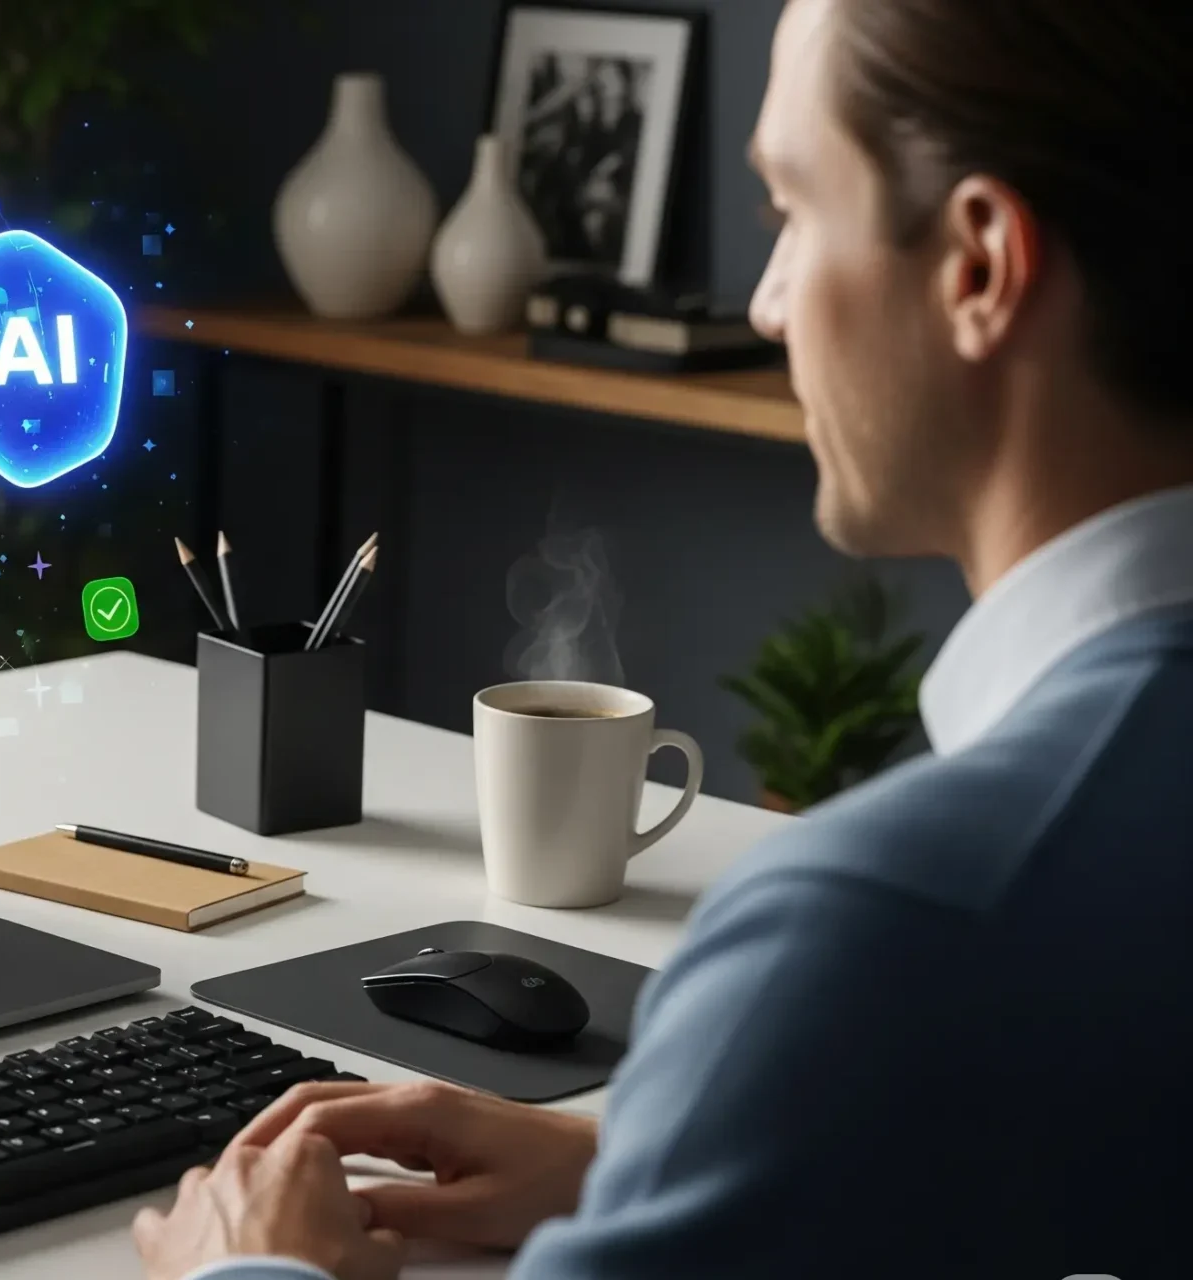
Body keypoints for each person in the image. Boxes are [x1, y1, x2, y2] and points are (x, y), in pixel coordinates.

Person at [136, 1, 1193, 1276]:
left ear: (977, 265)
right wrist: (674, 1157)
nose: (769, 304)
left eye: (791, 211)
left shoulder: (884, 926)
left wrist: (248, 1266)